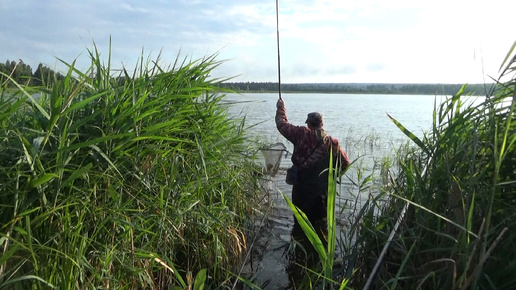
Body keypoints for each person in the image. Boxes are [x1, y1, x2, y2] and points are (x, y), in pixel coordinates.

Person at [275, 97, 350, 284]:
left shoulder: (301, 134)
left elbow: (281, 124)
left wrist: (281, 108)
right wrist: (333, 175)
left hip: (301, 192)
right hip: (322, 194)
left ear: (308, 123)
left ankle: (299, 262)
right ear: (322, 124)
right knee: (321, 225)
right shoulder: (332, 142)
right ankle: (324, 261)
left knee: (299, 226)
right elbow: (345, 164)